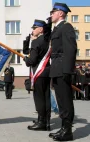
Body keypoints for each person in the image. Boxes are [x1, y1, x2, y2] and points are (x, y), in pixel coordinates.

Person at [48, 2, 77, 141]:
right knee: (60, 100)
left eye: (52, 12)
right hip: (56, 68)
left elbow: (70, 49)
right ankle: (63, 128)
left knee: (65, 100)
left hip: (62, 69)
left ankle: (68, 131)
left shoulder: (66, 27)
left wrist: (67, 70)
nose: (50, 15)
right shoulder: (57, 29)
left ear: (60, 13)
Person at [23, 19, 51, 131]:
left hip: (39, 73)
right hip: (47, 71)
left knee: (39, 98)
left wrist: (26, 60)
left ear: (40, 29)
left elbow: (32, 60)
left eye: (34, 28)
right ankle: (47, 120)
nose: (32, 30)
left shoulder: (36, 42)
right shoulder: (47, 41)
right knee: (46, 97)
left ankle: (41, 122)